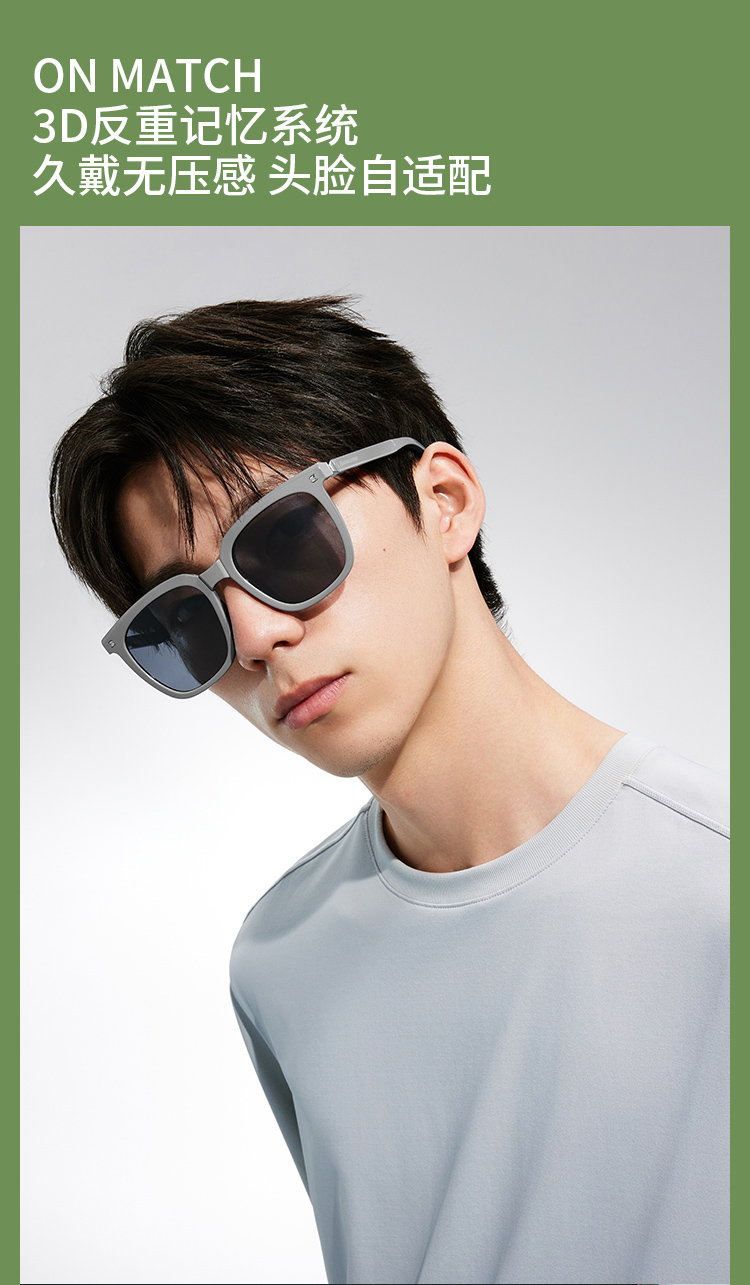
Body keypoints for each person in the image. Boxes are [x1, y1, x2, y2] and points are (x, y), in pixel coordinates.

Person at [49, 297, 729, 1285]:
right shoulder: (282, 958)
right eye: (185, 620)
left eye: (283, 540)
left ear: (444, 500)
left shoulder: (715, 885)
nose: (255, 637)